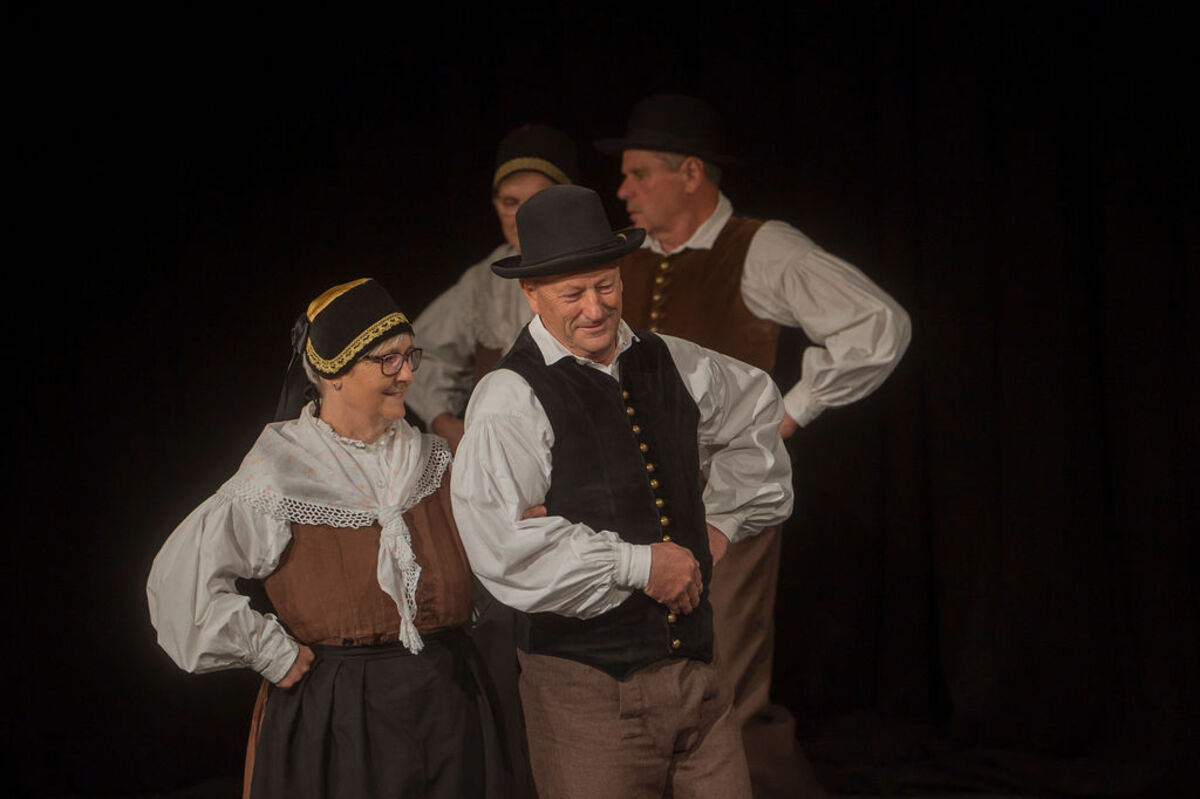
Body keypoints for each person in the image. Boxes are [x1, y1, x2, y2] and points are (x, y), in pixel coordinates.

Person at [595, 93, 913, 797]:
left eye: (639, 173)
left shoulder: (759, 247)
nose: (623, 190)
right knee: (641, 675)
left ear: (690, 174)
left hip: (727, 497)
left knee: (725, 675)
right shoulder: (622, 254)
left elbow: (876, 323)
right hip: (627, 498)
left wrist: (787, 415)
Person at [450, 184, 794, 799]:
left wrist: (719, 525)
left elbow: (757, 411)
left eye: (606, 286)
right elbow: (503, 546)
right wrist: (640, 564)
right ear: (532, 293)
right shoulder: (510, 398)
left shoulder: (670, 361)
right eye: (573, 294)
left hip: (698, 681)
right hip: (588, 696)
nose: (595, 308)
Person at [146, 278, 511, 799]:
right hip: (339, 718)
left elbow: (496, 565)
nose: (407, 373)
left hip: (450, 708)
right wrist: (271, 653)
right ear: (335, 373)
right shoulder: (282, 471)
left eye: (410, 356)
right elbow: (181, 587)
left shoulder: (436, 461)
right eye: (388, 360)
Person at [405, 123, 580, 453]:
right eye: (510, 202)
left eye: (537, 201)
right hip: (504, 457)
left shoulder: (601, 270)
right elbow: (423, 354)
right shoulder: (485, 282)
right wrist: (444, 422)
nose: (522, 216)